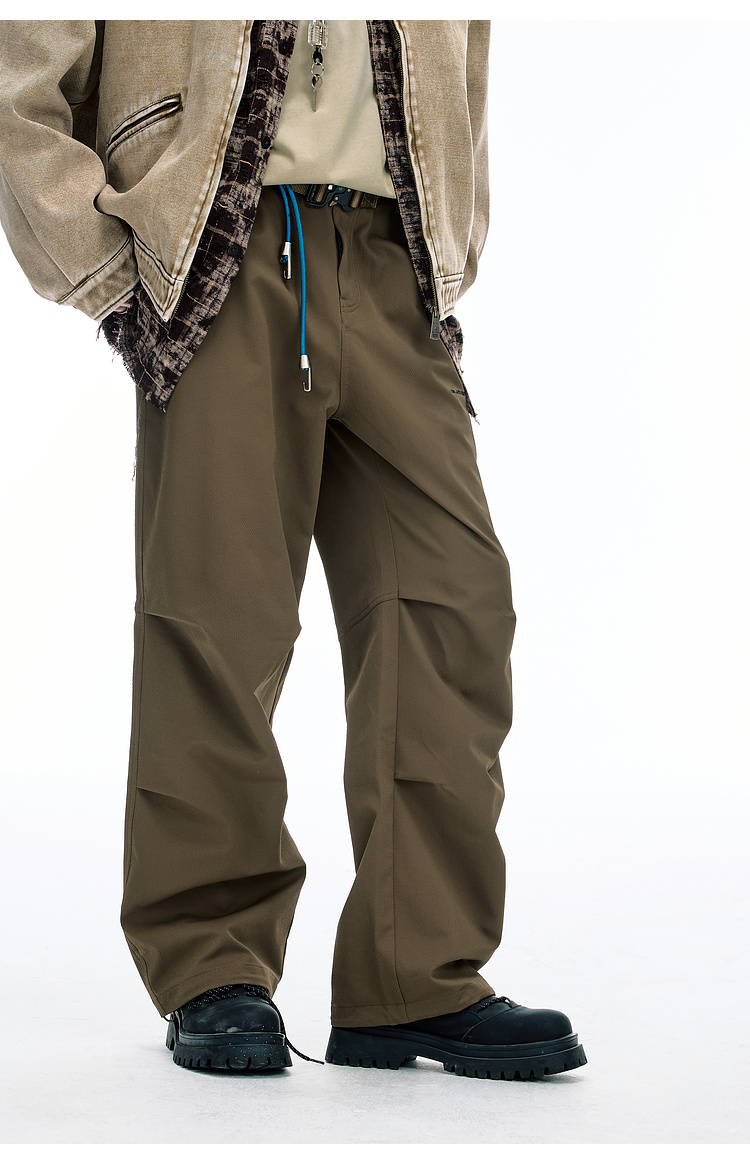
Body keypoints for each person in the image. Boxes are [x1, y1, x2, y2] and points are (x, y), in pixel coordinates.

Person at [0, 18, 586, 1080]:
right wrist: (110, 276)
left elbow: (465, 57)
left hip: (393, 254)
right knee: (217, 618)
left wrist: (447, 239)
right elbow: (18, 73)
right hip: (221, 249)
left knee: (452, 607)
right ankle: (212, 966)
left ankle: (415, 980)